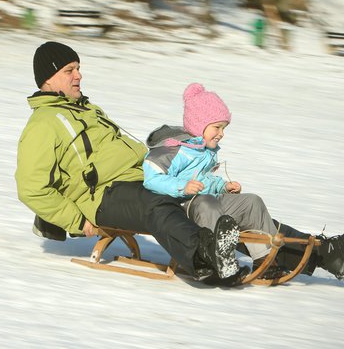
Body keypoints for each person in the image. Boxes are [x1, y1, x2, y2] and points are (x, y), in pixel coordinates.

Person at [15, 42, 246, 284]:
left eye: (78, 68)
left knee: (201, 191)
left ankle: (280, 250)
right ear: (49, 79)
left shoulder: (88, 110)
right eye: (69, 70)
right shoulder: (43, 124)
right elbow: (31, 187)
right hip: (102, 196)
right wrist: (76, 221)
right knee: (155, 203)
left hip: (136, 179)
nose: (79, 75)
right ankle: (206, 258)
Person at [142, 82, 344, 280]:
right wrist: (182, 186)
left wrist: (223, 186)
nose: (221, 134)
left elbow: (205, 180)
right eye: (217, 127)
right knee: (207, 204)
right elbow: (151, 177)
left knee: (252, 202)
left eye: (224, 128)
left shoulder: (205, 151)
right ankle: (219, 259)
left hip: (206, 198)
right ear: (199, 124)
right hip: (183, 206)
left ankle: (266, 261)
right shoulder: (174, 149)